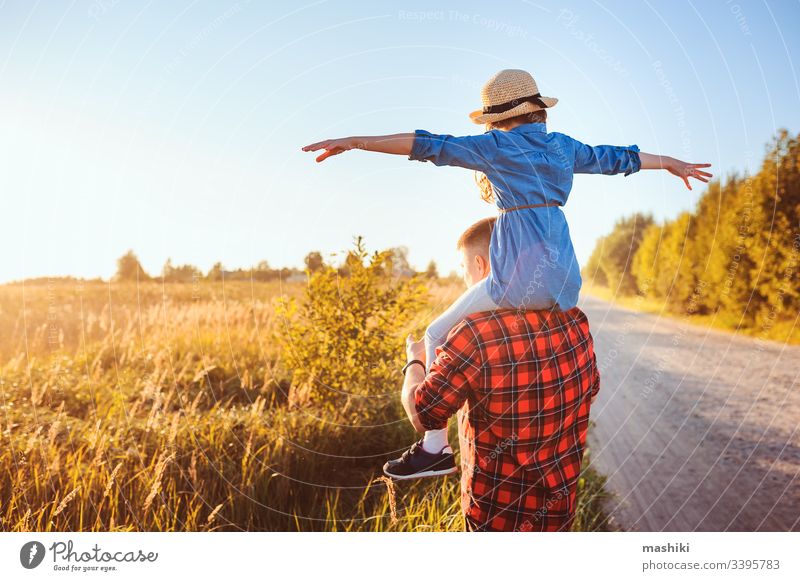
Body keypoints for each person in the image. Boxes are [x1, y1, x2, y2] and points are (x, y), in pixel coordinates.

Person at [302, 68, 712, 476]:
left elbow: (428, 144)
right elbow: (621, 157)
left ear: (497, 119)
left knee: (434, 334)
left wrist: (356, 142)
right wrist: (672, 162)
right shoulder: (563, 148)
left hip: (514, 283)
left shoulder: (497, 146)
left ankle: (435, 447)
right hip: (565, 282)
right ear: (536, 110)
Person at [394, 216, 599, 531]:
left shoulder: (473, 334)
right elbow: (591, 389)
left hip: (496, 517)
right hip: (559, 514)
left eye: (464, 269)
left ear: (481, 265)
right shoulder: (576, 321)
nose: (464, 280)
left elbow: (424, 414)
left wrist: (415, 363)